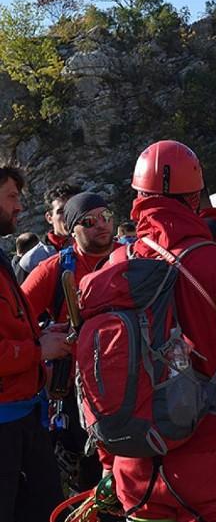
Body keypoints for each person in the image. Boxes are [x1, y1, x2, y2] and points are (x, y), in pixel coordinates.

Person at [81, 140, 216, 522]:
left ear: (138, 196)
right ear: (196, 194)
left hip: (136, 467)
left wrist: (108, 457)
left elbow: (98, 373)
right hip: (214, 465)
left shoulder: (113, 266)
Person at [22, 192, 121, 494]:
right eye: (89, 222)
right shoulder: (56, 268)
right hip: (77, 391)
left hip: (129, 384)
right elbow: (14, 318)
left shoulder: (130, 259)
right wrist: (41, 342)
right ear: (72, 228)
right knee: (88, 478)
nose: (101, 226)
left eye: (106, 217)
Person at [0, 166, 68, 521]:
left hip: (23, 415)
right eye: (12, 196)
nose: (19, 207)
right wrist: (39, 350)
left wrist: (40, 336)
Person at [16, 182, 81, 281]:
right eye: (61, 212)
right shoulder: (31, 262)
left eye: (73, 209)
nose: (68, 216)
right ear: (49, 218)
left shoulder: (99, 247)